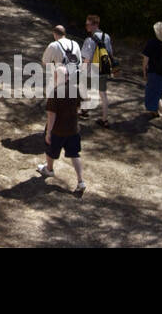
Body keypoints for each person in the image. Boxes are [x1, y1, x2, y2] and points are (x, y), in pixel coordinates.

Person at [37, 64, 86, 192]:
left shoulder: (54, 93)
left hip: (57, 131)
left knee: (50, 150)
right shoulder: (75, 89)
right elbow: (78, 108)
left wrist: (48, 132)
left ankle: (49, 169)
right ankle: (81, 181)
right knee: (74, 154)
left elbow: (51, 115)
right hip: (73, 129)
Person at [81, 14, 114, 127]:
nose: (86, 26)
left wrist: (82, 71)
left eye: (88, 24)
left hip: (92, 70)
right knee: (103, 94)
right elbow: (110, 53)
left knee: (82, 87)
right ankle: (104, 119)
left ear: (95, 25)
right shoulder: (107, 37)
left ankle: (85, 110)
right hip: (102, 69)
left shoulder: (89, 40)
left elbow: (87, 58)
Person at [142, 21, 162, 126]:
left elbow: (146, 59)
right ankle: (154, 111)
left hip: (154, 72)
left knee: (152, 92)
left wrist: (144, 70)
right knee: (158, 92)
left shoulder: (152, 43)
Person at [42, 24, 84, 100]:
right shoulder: (75, 44)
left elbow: (45, 62)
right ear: (64, 34)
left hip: (60, 78)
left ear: (54, 34)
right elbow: (80, 63)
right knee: (71, 102)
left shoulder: (53, 45)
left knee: (57, 102)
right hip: (74, 77)